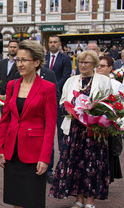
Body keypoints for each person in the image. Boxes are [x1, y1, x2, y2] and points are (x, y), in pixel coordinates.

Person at [0, 40, 57, 208]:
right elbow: (6, 118)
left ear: (36, 62)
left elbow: (50, 125)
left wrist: (45, 157)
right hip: (12, 150)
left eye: (23, 60)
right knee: (17, 202)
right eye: (18, 59)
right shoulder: (11, 85)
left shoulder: (47, 88)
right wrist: (0, 147)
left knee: (33, 203)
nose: (19, 63)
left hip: (34, 153)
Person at [49, 50, 113, 208]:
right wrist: (69, 109)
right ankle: (78, 198)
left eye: (87, 63)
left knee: (91, 163)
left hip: (93, 130)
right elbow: (62, 102)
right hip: (74, 129)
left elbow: (109, 103)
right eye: (81, 62)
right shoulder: (71, 81)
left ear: (94, 65)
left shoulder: (104, 81)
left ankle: (90, 200)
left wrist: (94, 110)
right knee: (75, 163)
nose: (83, 65)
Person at [45, 35, 72, 183]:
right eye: (50, 42)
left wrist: (51, 86)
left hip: (60, 99)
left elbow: (66, 77)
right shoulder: (44, 58)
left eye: (55, 42)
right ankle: (48, 170)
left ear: (60, 44)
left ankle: (63, 168)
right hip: (46, 100)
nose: (53, 44)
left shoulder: (65, 59)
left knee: (62, 135)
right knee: (48, 135)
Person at [96, 56, 123, 182]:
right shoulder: (93, 82)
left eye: (102, 66)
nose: (99, 68)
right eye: (98, 66)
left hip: (110, 124)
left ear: (110, 68)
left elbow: (121, 105)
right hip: (95, 124)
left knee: (110, 152)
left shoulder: (116, 85)